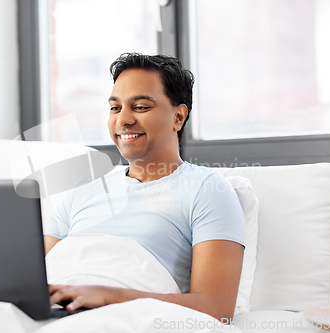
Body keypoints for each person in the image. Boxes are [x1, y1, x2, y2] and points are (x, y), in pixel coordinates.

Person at [43, 53, 245, 322]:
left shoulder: (208, 190)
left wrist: (106, 295)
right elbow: (31, 275)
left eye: (140, 107)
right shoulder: (84, 188)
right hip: (54, 311)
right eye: (115, 108)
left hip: (123, 318)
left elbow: (216, 309)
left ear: (178, 116)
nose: (123, 120)